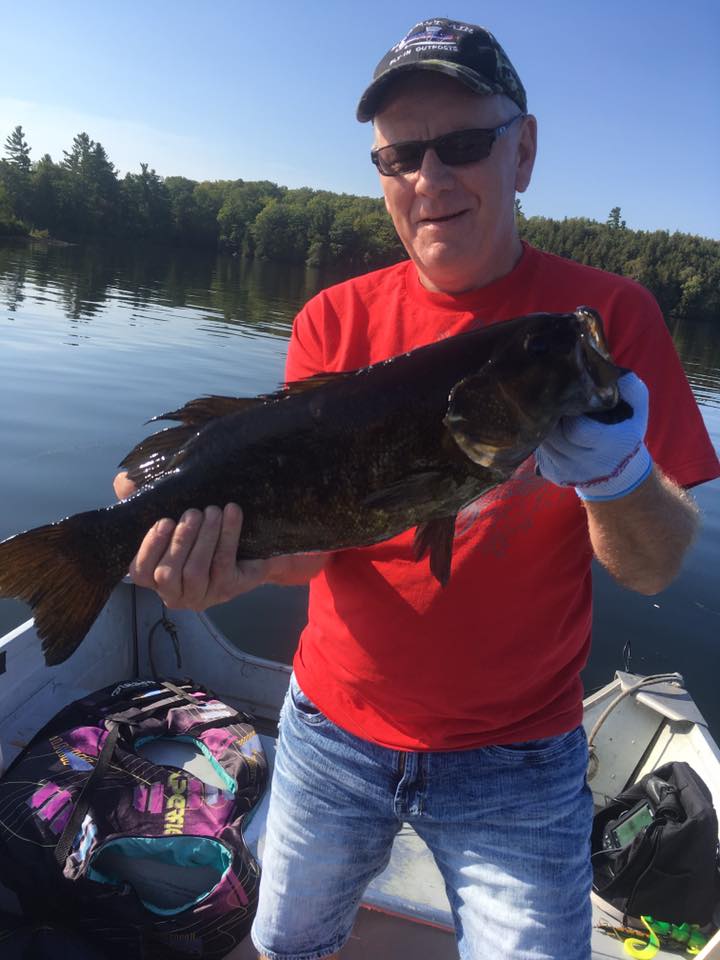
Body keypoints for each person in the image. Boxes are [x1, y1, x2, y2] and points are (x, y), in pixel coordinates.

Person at [114, 18, 720, 960]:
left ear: (523, 150)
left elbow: (655, 565)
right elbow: (319, 542)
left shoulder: (601, 324)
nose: (429, 180)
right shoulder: (332, 319)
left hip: (520, 760)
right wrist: (226, 571)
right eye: (400, 156)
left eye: (464, 144)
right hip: (331, 732)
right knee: (282, 946)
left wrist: (621, 477)